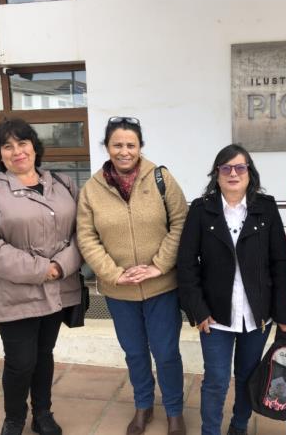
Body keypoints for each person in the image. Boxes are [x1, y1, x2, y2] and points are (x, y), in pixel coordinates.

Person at [0, 118, 82, 435]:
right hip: (14, 293)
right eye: (8, 146)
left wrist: (60, 266)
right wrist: (41, 270)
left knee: (44, 355)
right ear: (0, 154)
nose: (17, 151)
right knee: (20, 361)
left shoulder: (63, 184)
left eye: (22, 143)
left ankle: (42, 413)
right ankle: (14, 417)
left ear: (34, 146)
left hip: (58, 290)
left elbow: (82, 233)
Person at [77, 117, 188, 435]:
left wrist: (159, 265)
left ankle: (174, 411)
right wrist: (112, 273)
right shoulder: (92, 190)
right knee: (135, 352)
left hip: (162, 287)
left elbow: (181, 222)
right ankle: (143, 405)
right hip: (119, 292)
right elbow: (86, 237)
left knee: (166, 353)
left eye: (131, 145)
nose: (124, 151)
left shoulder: (161, 179)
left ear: (140, 147)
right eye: (117, 145)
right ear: (107, 147)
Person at [178, 144, 286, 435]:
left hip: (256, 315)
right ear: (216, 174)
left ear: (249, 173)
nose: (233, 173)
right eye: (225, 168)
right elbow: (186, 264)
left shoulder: (265, 208)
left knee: (247, 376)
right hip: (214, 315)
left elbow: (280, 262)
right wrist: (197, 310)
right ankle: (210, 431)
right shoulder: (201, 209)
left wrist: (283, 314)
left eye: (239, 167)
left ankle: (239, 426)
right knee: (216, 378)